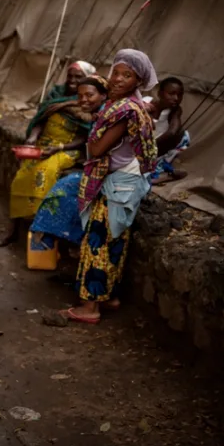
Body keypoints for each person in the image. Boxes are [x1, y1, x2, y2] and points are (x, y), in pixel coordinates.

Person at [63, 49, 158, 324]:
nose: (117, 79)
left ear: (137, 81)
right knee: (115, 243)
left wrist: (94, 138)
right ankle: (110, 297)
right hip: (124, 185)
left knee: (98, 244)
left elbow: (96, 149)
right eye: (116, 72)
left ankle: (90, 307)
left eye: (127, 75)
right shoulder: (131, 105)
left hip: (117, 186)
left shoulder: (124, 111)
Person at [0, 61, 96, 247]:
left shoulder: (87, 101)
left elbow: (86, 137)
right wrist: (33, 137)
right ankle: (14, 230)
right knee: (21, 177)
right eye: (70, 76)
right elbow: (41, 118)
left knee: (44, 173)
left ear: (87, 80)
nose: (73, 80)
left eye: (78, 77)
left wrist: (59, 147)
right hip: (44, 144)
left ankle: (39, 233)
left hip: (67, 148)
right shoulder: (56, 95)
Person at [30, 75, 109, 249]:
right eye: (80, 96)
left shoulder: (107, 116)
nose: (83, 100)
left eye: (89, 95)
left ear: (103, 95)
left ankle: (54, 239)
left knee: (63, 191)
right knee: (62, 190)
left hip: (110, 173)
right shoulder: (97, 115)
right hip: (97, 169)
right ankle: (57, 239)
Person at [143, 77, 190, 185]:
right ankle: (159, 176)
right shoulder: (145, 103)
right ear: (160, 94)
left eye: (180, 95)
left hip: (154, 147)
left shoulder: (175, 111)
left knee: (183, 136)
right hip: (137, 145)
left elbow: (173, 132)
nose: (176, 98)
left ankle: (157, 169)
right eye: (171, 93)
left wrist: (151, 147)